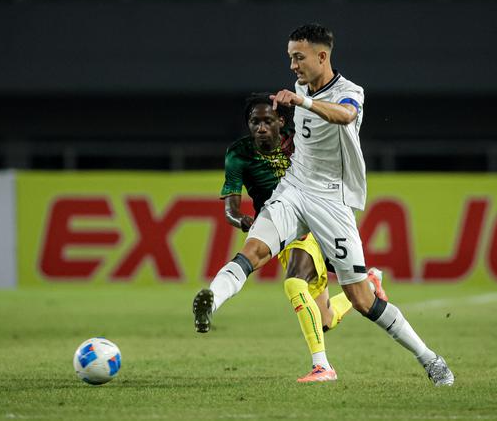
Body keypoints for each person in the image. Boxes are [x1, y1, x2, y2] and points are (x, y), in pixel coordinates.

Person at [194, 23, 454, 386]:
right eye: (290, 58)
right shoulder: (300, 87)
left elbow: (344, 116)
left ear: (321, 56)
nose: (293, 66)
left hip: (332, 201)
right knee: (253, 251)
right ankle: (211, 299)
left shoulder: (349, 92)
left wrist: (302, 101)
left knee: (361, 300)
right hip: (294, 188)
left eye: (298, 57)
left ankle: (430, 359)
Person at [206, 93, 387, 379]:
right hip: (279, 228)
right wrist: (240, 219)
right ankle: (371, 285)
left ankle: (322, 366)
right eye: (254, 121)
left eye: (267, 121)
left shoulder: (300, 139)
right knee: (324, 319)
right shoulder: (239, 153)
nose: (261, 128)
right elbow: (231, 207)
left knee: (294, 283)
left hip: (312, 219)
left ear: (281, 122)